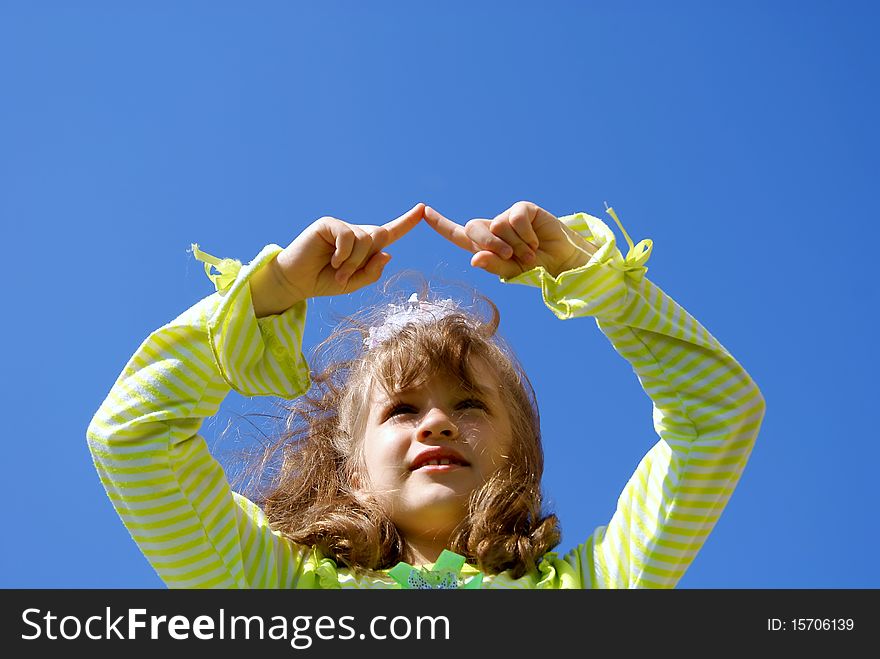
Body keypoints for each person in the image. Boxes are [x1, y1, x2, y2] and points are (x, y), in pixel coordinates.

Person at [86, 200, 765, 589]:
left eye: (471, 405)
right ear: (352, 468)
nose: (437, 422)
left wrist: (591, 277)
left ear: (519, 456)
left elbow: (720, 414)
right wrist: (268, 296)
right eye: (401, 409)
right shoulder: (277, 586)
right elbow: (131, 439)